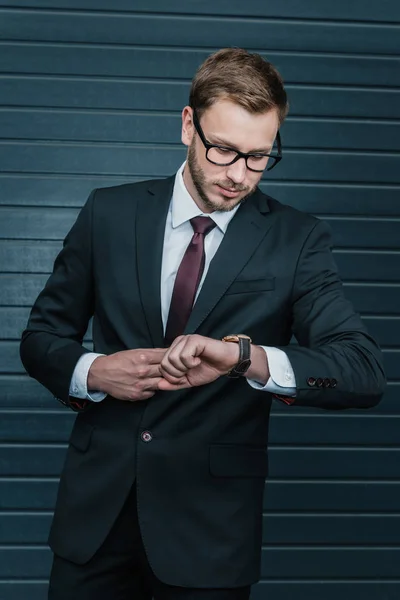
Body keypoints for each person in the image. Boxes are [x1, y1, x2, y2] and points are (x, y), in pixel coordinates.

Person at [20, 48, 386, 600]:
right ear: (188, 124)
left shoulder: (298, 239)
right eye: (223, 150)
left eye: (259, 157)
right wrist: (94, 373)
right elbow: (40, 339)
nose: (238, 175)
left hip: (210, 536)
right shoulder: (108, 213)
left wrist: (246, 359)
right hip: (93, 525)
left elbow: (361, 371)